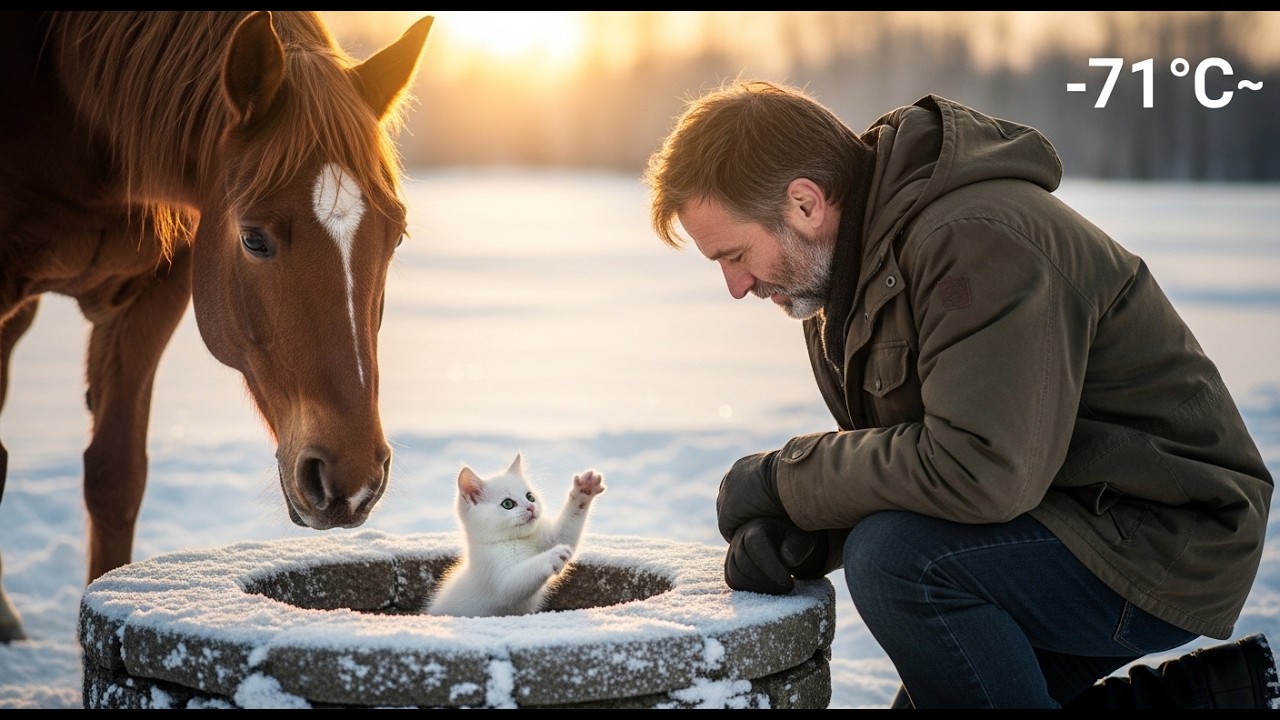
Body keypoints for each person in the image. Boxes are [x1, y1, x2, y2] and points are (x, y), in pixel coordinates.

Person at [642, 79, 1277, 709]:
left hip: (1165, 534)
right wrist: (807, 532)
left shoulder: (975, 238)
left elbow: (979, 468)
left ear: (805, 203)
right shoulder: (842, 284)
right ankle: (1225, 697)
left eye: (734, 254)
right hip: (1059, 514)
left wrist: (788, 481)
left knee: (899, 562)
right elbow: (915, 467)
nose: (735, 285)